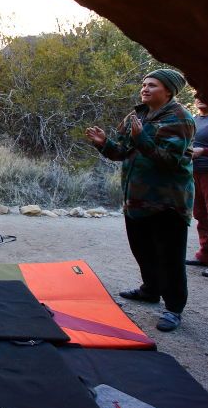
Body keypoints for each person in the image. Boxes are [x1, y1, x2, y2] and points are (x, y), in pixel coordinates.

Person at [85, 69, 194, 331]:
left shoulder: (180, 119)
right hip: (136, 198)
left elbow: (170, 160)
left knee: (170, 256)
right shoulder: (137, 115)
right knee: (142, 249)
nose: (144, 89)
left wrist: (141, 138)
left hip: (168, 201)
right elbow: (122, 152)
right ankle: (150, 290)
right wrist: (104, 143)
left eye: (152, 85)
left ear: (168, 91)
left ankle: (173, 308)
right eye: (144, 84)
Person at [188, 92, 208, 269]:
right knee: (201, 214)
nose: (199, 98)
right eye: (197, 95)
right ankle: (205, 254)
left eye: (204, 95)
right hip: (194, 172)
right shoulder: (193, 120)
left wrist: (204, 151)